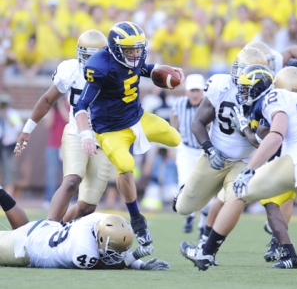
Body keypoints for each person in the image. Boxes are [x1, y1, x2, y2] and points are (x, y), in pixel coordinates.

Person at [180, 64, 297, 270]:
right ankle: (289, 254)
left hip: (295, 159)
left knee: (239, 192)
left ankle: (206, 253)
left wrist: (250, 169)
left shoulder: (274, 97)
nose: (241, 93)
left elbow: (275, 136)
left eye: (245, 89)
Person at [74, 21, 184, 247]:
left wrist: (163, 71)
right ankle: (137, 219)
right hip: (111, 130)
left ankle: (183, 187)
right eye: (129, 51)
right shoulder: (100, 66)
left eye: (137, 50)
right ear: (115, 48)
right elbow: (81, 104)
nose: (134, 55)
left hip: (138, 118)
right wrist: (86, 135)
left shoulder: (134, 55)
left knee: (175, 138)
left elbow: (143, 68)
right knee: (125, 165)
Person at [172, 47, 268, 264]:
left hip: (244, 162)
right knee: (183, 208)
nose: (241, 79)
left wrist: (244, 128)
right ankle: (183, 191)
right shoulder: (220, 85)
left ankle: (208, 251)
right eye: (240, 71)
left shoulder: (266, 97)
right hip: (215, 155)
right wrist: (209, 148)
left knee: (236, 199)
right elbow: (197, 122)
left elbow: (261, 143)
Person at [14, 29, 111, 223]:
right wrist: (27, 129)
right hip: (76, 131)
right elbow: (48, 99)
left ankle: (59, 232)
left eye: (95, 57)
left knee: (87, 206)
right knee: (72, 180)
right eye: (86, 56)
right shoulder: (71, 70)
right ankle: (47, 230)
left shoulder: (115, 72)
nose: (90, 63)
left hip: (104, 137)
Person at [0, 184, 169, 270]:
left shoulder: (99, 220)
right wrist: (137, 256)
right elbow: (109, 266)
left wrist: (141, 264)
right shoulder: (84, 249)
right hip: (26, 249)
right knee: (17, 235)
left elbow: (118, 252)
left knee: (20, 227)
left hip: (43, 228)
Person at [170, 73, 212, 238]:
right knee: (184, 184)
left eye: (198, 90)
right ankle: (190, 216)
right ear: (186, 92)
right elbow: (174, 118)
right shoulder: (179, 103)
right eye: (192, 90)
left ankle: (202, 224)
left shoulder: (210, 104)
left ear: (203, 91)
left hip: (206, 151)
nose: (195, 94)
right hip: (186, 149)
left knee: (208, 189)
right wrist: (175, 142)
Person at [0, 93, 23, 197]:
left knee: (9, 170)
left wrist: (7, 118)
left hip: (8, 146)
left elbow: (18, 128)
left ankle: (8, 196)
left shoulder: (13, 114)